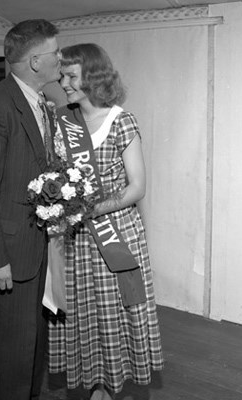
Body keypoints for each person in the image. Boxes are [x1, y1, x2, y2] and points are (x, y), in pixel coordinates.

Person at [48, 43, 164, 400]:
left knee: (114, 311)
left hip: (115, 235)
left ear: (93, 77)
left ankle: (112, 384)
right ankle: (96, 385)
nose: (63, 81)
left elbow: (138, 186)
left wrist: (90, 209)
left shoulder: (121, 120)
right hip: (77, 239)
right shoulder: (63, 121)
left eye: (71, 76)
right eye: (62, 74)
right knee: (84, 311)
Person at [0, 19, 62, 400]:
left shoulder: (38, 102)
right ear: (35, 61)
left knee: (30, 352)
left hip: (32, 253)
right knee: (9, 359)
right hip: (6, 259)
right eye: (56, 53)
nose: (60, 59)